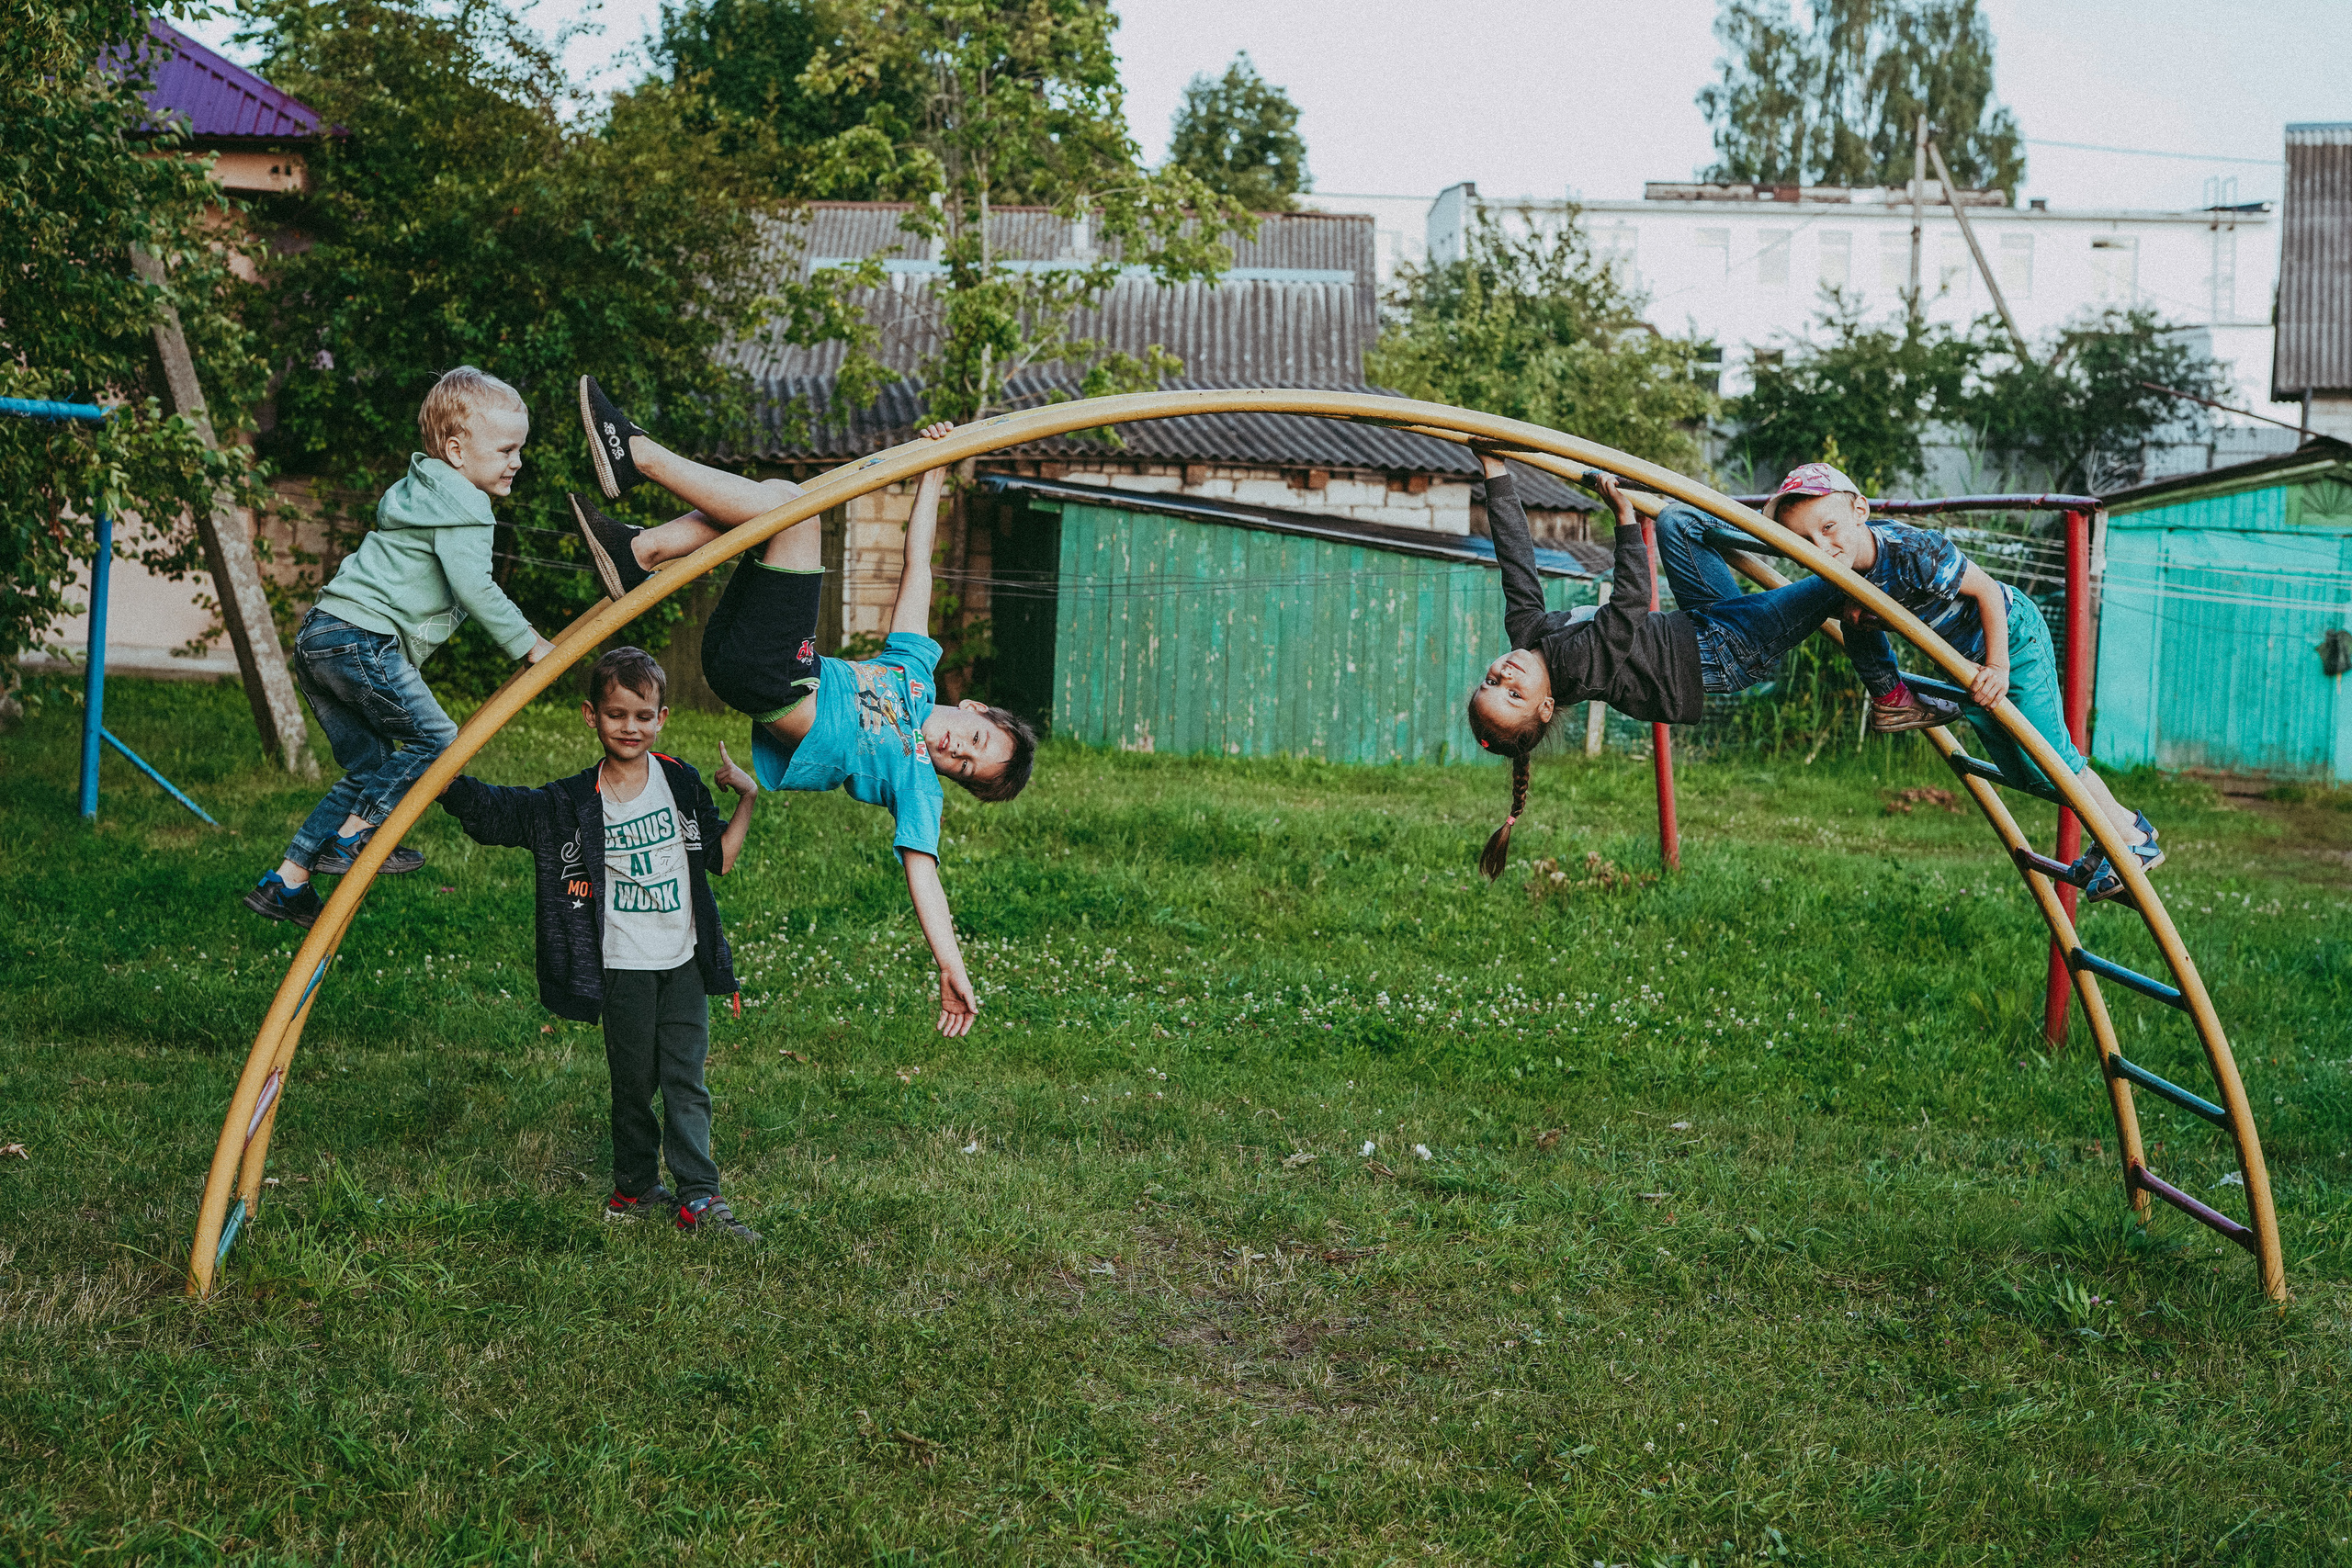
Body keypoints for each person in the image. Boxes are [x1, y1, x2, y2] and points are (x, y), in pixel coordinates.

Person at [566, 378, 1036, 1035]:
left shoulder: (915, 781)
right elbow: (919, 569)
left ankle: (637, 456)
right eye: (976, 742)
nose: (957, 753)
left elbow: (924, 876)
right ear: (977, 709)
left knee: (797, 510)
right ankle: (639, 551)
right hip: (749, 655)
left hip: (777, 683)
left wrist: (950, 962)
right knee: (781, 504)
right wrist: (932, 473)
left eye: (966, 770)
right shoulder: (916, 672)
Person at [1464, 450, 1953, 878]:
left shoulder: (1530, 638)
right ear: (1547, 706)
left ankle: (1796, 542)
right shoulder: (1575, 666)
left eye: (1492, 680)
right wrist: (1625, 518)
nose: (1506, 674)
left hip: (1703, 624)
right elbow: (1631, 602)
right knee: (1843, 582)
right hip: (1727, 650)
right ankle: (1890, 695)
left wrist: (1494, 471)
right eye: (1513, 694)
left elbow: (1517, 564)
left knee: (1681, 522)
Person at [439, 647, 763, 1240]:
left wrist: (747, 796)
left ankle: (701, 1196)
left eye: (644, 716)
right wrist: (444, 776)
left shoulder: (681, 782)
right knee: (635, 1084)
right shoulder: (571, 802)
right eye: (617, 714)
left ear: (662, 717)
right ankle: (636, 1188)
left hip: (685, 961)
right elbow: (497, 815)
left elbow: (718, 858)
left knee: (687, 1080)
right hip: (623, 967)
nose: (631, 727)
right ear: (592, 716)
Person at [243, 366, 557, 929]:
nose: (517, 461)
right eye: (507, 449)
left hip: (320, 637)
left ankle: (287, 882)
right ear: (457, 451)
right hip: (362, 640)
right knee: (437, 738)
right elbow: (476, 588)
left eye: (520, 449)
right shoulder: (465, 506)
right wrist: (529, 644)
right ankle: (355, 838)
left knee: (369, 768)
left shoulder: (420, 491)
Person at [1766, 461, 2160, 899]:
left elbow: (1987, 591)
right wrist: (1859, 614)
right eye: (1804, 541)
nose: (1820, 546)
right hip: (1963, 662)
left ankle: (2133, 838)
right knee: (2025, 774)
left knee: (2049, 758)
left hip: (2011, 639)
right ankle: (1894, 697)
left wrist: (1998, 667)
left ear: (1860, 509)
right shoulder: (1842, 570)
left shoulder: (1911, 550)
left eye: (1828, 527)